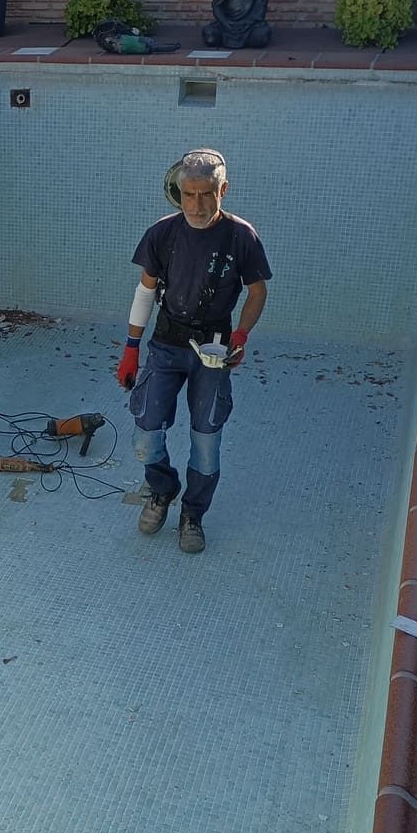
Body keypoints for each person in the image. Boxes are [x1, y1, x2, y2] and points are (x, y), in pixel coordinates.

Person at [115, 149, 271, 553]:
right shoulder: (162, 234)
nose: (197, 205)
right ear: (178, 192)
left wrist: (241, 336)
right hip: (167, 343)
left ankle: (193, 513)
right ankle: (162, 490)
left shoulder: (241, 237)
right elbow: (145, 291)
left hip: (214, 347)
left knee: (206, 438)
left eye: (206, 194)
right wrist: (132, 348)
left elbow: (257, 292)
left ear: (223, 190)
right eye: (188, 194)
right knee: (146, 431)